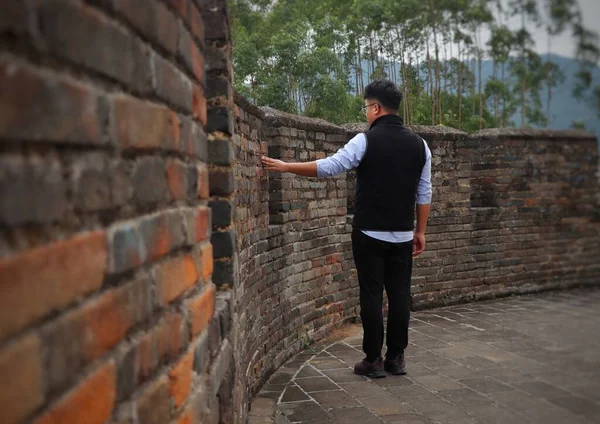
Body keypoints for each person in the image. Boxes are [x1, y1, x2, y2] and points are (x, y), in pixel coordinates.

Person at [261, 80, 432, 378]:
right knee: (400, 294)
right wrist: (421, 231)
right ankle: (396, 358)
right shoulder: (421, 146)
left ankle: (373, 360)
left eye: (366, 106)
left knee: (371, 295)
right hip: (404, 233)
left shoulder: (365, 141)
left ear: (376, 108)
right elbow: (424, 191)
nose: (366, 112)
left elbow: (330, 166)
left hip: (368, 234)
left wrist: (287, 166)